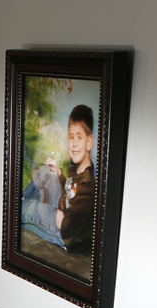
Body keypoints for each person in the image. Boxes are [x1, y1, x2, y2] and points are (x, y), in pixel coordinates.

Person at [55, 104, 96, 254]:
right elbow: (68, 193)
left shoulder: (87, 184)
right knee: (46, 175)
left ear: (89, 142)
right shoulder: (75, 172)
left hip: (66, 237)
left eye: (79, 137)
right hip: (59, 212)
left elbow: (68, 228)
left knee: (30, 209)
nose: (74, 144)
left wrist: (60, 220)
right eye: (71, 137)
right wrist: (60, 175)